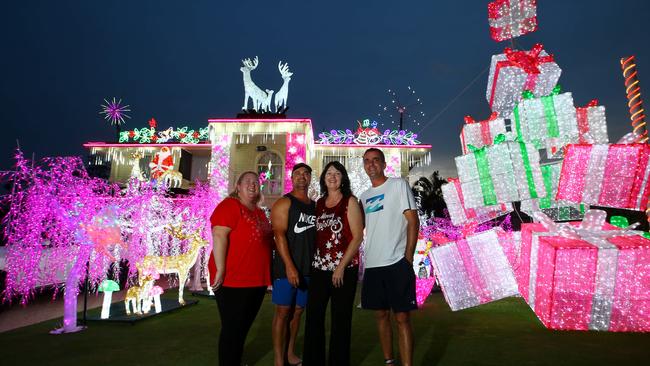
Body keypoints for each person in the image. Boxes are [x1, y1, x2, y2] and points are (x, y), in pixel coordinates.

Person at [359, 148, 419, 366]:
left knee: (402, 318)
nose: (371, 164)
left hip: (397, 263)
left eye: (376, 160)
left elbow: (413, 221)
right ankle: (389, 361)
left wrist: (408, 258)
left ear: (384, 164)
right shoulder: (364, 197)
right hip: (373, 266)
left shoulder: (398, 185)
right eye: (367, 161)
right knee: (380, 316)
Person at [303, 161, 364, 366]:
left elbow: (357, 238)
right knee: (314, 318)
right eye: (329, 173)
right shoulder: (319, 203)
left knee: (340, 320)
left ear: (343, 178)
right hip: (320, 269)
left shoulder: (350, 201)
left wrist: (340, 267)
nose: (332, 176)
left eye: (337, 173)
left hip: (343, 270)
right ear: (323, 178)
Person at [210, 171, 273, 366]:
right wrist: (220, 269)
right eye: (247, 181)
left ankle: (235, 361)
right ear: (238, 187)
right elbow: (219, 235)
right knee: (232, 328)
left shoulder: (259, 212)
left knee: (242, 327)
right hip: (233, 280)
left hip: (256, 280)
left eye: (256, 182)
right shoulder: (230, 206)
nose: (253, 184)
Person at [271, 163, 316, 366]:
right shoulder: (284, 203)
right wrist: (289, 266)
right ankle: (279, 360)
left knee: (298, 311)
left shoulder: (315, 206)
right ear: (292, 177)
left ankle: (290, 353)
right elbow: (279, 235)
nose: (302, 177)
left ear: (309, 178)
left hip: (308, 268)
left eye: (306, 174)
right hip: (286, 268)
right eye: (298, 173)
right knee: (282, 312)